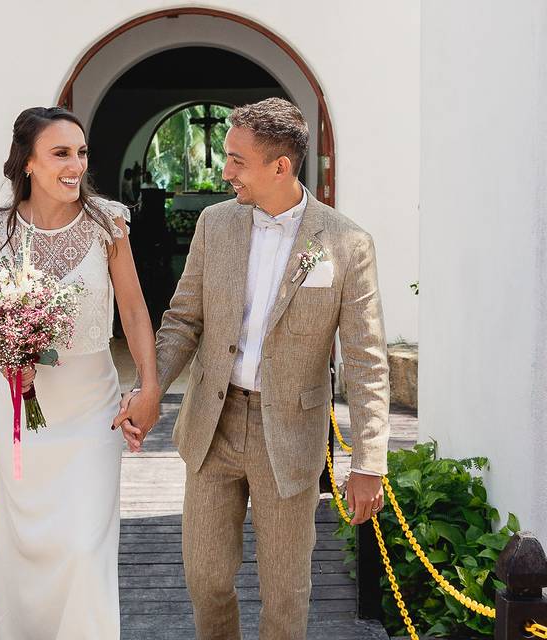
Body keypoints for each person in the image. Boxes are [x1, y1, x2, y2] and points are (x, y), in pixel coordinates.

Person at [115, 97, 390, 640]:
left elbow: (365, 360)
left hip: (288, 436)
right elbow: (182, 321)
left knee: (285, 592)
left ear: (280, 166)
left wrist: (370, 460)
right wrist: (150, 388)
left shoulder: (347, 242)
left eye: (237, 159)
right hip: (211, 426)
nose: (226, 170)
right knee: (206, 578)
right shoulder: (215, 225)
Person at [0, 106, 159, 640]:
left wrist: (148, 386)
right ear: (26, 163)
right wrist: (10, 357)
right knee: (25, 545)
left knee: (82, 546)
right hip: (23, 412)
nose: (75, 164)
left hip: (90, 411)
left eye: (80, 153)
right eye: (60, 153)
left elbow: (135, 309)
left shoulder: (107, 223)